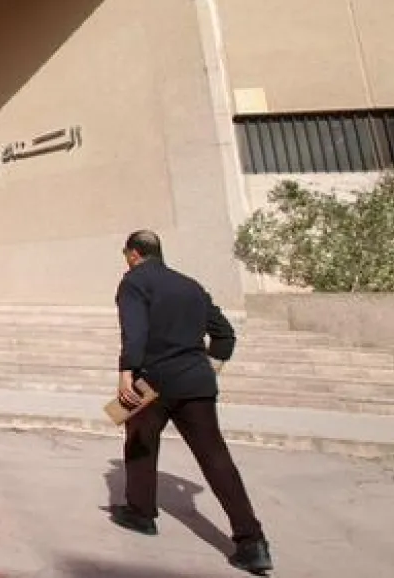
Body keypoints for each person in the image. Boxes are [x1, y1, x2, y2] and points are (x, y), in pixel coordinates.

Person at [109, 230, 273, 576]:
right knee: (215, 458)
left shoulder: (135, 282)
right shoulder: (190, 286)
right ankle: (252, 542)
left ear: (134, 254)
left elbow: (134, 331)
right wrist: (210, 366)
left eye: (127, 253)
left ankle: (141, 513)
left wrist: (126, 372)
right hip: (196, 380)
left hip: (152, 381)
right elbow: (224, 334)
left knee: (138, 441)